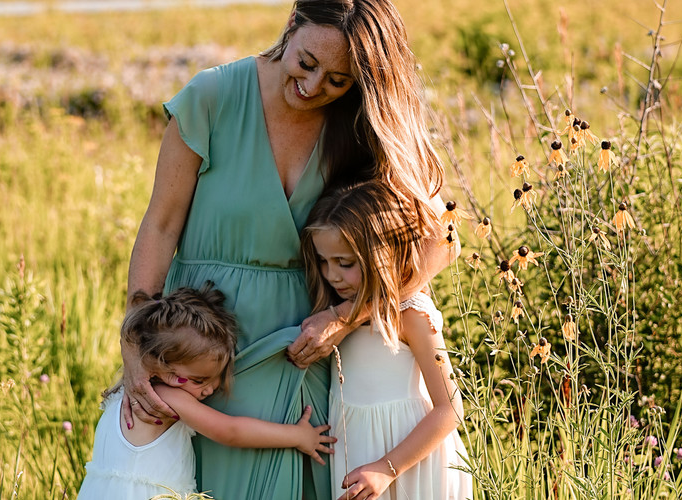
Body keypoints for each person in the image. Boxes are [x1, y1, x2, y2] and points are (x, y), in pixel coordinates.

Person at [122, 0, 455, 497]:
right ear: (294, 22)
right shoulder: (211, 97)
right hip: (203, 352)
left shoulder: (360, 122)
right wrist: (135, 347)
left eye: (338, 80)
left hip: (311, 354)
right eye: (308, 63)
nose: (315, 86)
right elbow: (160, 226)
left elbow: (442, 242)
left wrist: (347, 315)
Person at [77, 284, 336, 499]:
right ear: (161, 367)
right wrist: (298, 436)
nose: (211, 388)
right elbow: (231, 431)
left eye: (215, 378)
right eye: (199, 380)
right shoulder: (167, 397)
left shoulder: (124, 390)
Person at [300, 181, 472, 500]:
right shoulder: (332, 317)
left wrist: (385, 468)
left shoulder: (410, 314)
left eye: (345, 263)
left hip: (411, 465)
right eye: (324, 262)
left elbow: (450, 409)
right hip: (358, 458)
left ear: (378, 255)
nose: (332, 275)